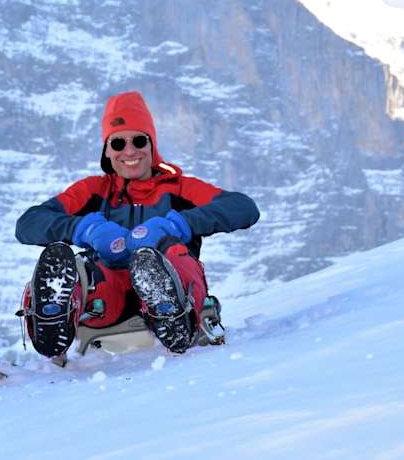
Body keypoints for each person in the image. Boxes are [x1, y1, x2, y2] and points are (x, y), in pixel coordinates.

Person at [15, 90, 259, 358]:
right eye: (118, 143)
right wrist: (85, 229)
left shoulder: (178, 189)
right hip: (111, 295)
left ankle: (173, 312)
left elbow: (243, 208)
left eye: (139, 140)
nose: (129, 151)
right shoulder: (94, 191)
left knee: (172, 254)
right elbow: (28, 223)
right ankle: (53, 317)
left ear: (152, 144)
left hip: (175, 281)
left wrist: (176, 225)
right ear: (107, 150)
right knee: (84, 270)